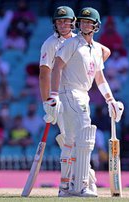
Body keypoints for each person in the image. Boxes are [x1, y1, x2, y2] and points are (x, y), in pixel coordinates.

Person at [43, 7, 124, 197]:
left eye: (89, 22)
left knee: (70, 141)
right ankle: (81, 186)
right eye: (82, 21)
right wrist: (53, 95)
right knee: (85, 138)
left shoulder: (96, 49)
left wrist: (110, 100)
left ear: (96, 26)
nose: (85, 24)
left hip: (82, 94)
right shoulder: (71, 43)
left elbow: (100, 77)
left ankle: (65, 188)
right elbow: (56, 69)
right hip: (68, 92)